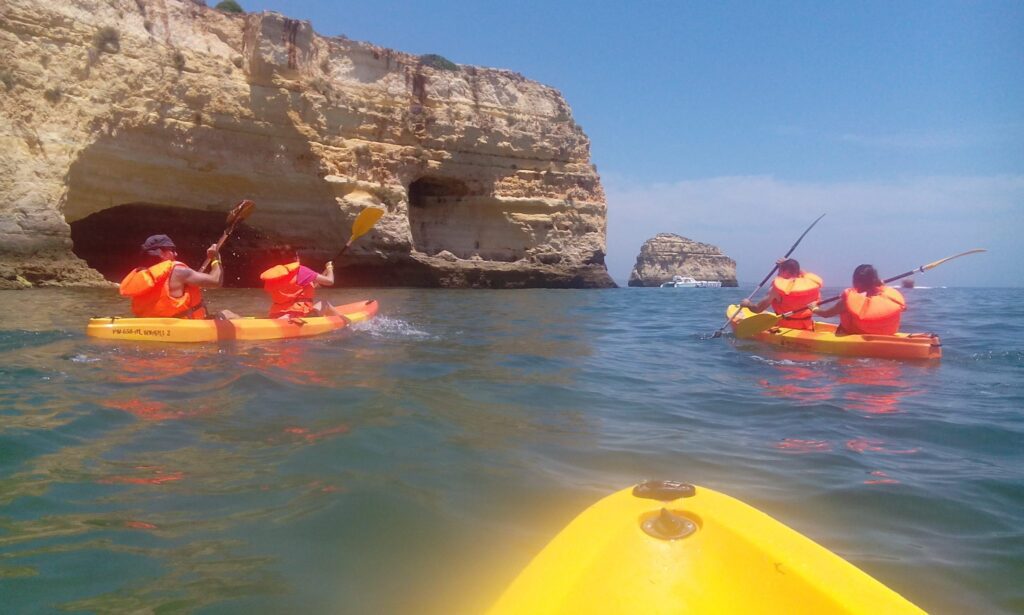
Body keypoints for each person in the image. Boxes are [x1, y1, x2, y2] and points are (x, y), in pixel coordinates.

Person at [119, 234, 224, 319]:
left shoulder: (141, 275)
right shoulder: (179, 271)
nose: (176, 253)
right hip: (182, 328)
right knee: (225, 314)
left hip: (151, 328)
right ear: (162, 253)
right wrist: (215, 259)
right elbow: (216, 281)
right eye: (172, 250)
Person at [813, 264, 906, 335]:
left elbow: (826, 314)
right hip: (888, 334)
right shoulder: (890, 296)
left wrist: (814, 308)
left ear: (856, 281)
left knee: (847, 311)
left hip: (855, 336)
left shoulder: (849, 301)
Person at [740, 258, 823, 330]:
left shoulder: (776, 289)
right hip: (807, 326)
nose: (778, 273)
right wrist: (787, 264)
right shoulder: (812, 285)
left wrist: (748, 304)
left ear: (784, 271)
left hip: (784, 327)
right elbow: (800, 272)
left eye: (779, 271)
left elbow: (758, 309)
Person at [260, 247, 336, 319]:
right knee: (325, 304)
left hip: (276, 314)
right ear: (296, 258)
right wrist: (329, 268)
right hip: (299, 315)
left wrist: (325, 272)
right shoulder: (301, 271)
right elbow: (330, 281)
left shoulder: (275, 275)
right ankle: (343, 322)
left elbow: (304, 287)